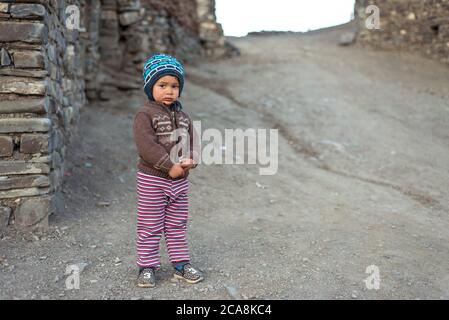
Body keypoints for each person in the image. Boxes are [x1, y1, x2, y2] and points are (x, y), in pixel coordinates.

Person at [132, 53, 203, 288]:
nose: (169, 91)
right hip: (153, 180)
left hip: (179, 181)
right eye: (162, 85)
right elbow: (146, 146)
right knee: (150, 224)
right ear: (150, 87)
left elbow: (193, 142)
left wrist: (191, 159)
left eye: (174, 86)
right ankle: (147, 266)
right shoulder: (145, 114)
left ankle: (181, 264)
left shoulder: (184, 117)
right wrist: (168, 165)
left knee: (176, 224)